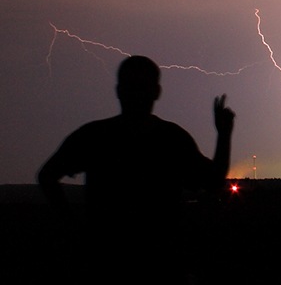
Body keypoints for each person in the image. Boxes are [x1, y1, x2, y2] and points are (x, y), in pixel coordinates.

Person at [38, 55, 235, 284]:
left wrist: (72, 227)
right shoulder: (170, 138)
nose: (137, 95)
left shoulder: (96, 135)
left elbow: (47, 176)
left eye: (141, 87)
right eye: (133, 87)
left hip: (114, 265)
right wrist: (223, 135)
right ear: (157, 92)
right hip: (149, 265)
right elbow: (213, 181)